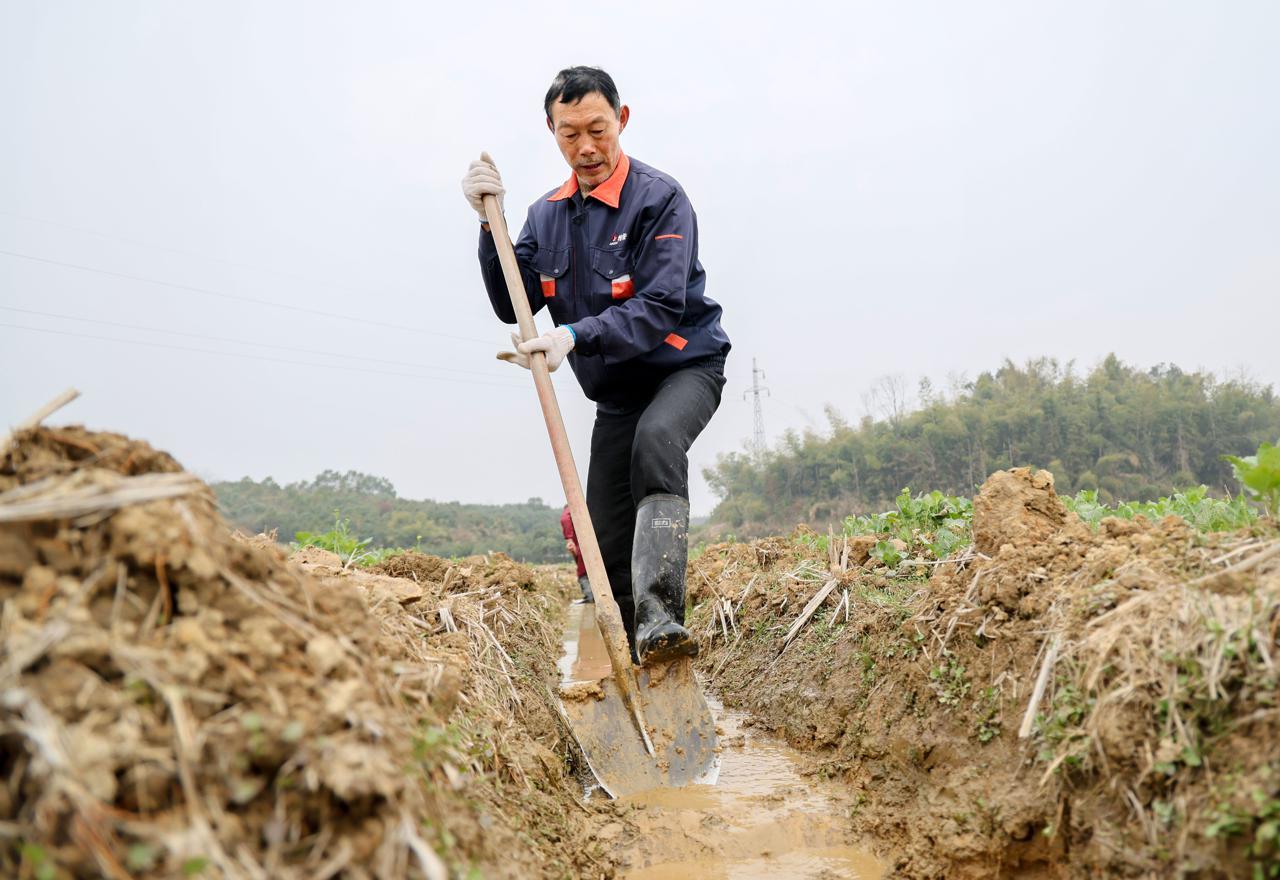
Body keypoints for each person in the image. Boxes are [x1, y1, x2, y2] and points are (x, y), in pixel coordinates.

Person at [461, 66, 730, 665]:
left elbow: (660, 306)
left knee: (657, 443)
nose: (586, 147)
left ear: (622, 121)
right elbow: (514, 299)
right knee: (603, 536)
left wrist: (574, 336)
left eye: (598, 129)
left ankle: (662, 621)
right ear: (553, 133)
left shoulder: (660, 199)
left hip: (683, 369)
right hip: (616, 394)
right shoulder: (547, 214)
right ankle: (630, 660)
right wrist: (489, 225)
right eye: (569, 133)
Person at [560, 504, 594, 603]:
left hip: (585, 545)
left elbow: (564, 519)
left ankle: (590, 597)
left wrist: (569, 539)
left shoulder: (570, 510)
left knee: (583, 572)